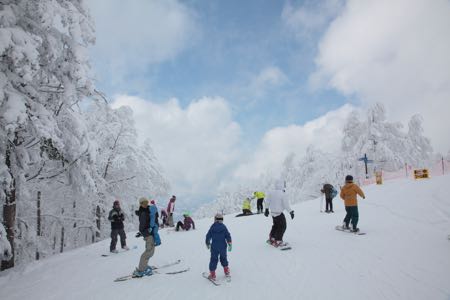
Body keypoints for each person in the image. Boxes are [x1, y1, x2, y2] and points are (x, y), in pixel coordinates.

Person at [133, 197, 161, 277]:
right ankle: (141, 270)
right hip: (148, 235)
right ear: (140, 204)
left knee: (149, 251)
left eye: (146, 202)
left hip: (150, 234)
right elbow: (142, 228)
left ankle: (144, 266)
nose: (145, 204)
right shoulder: (143, 213)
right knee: (149, 252)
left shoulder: (147, 210)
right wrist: (146, 231)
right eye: (143, 203)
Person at [264, 180, 294, 247]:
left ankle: (272, 238)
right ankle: (278, 241)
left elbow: (267, 201)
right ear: (282, 185)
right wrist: (291, 212)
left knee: (275, 225)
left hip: (273, 213)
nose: (285, 186)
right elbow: (286, 205)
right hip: (279, 214)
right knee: (282, 226)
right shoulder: (283, 193)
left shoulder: (271, 192)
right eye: (284, 184)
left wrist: (266, 209)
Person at [205, 213, 232, 281]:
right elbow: (228, 235)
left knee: (214, 259)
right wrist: (229, 243)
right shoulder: (223, 227)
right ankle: (226, 270)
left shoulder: (212, 227)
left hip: (214, 247)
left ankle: (213, 274)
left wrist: (207, 243)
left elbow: (208, 236)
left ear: (215, 219)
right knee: (223, 258)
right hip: (223, 246)